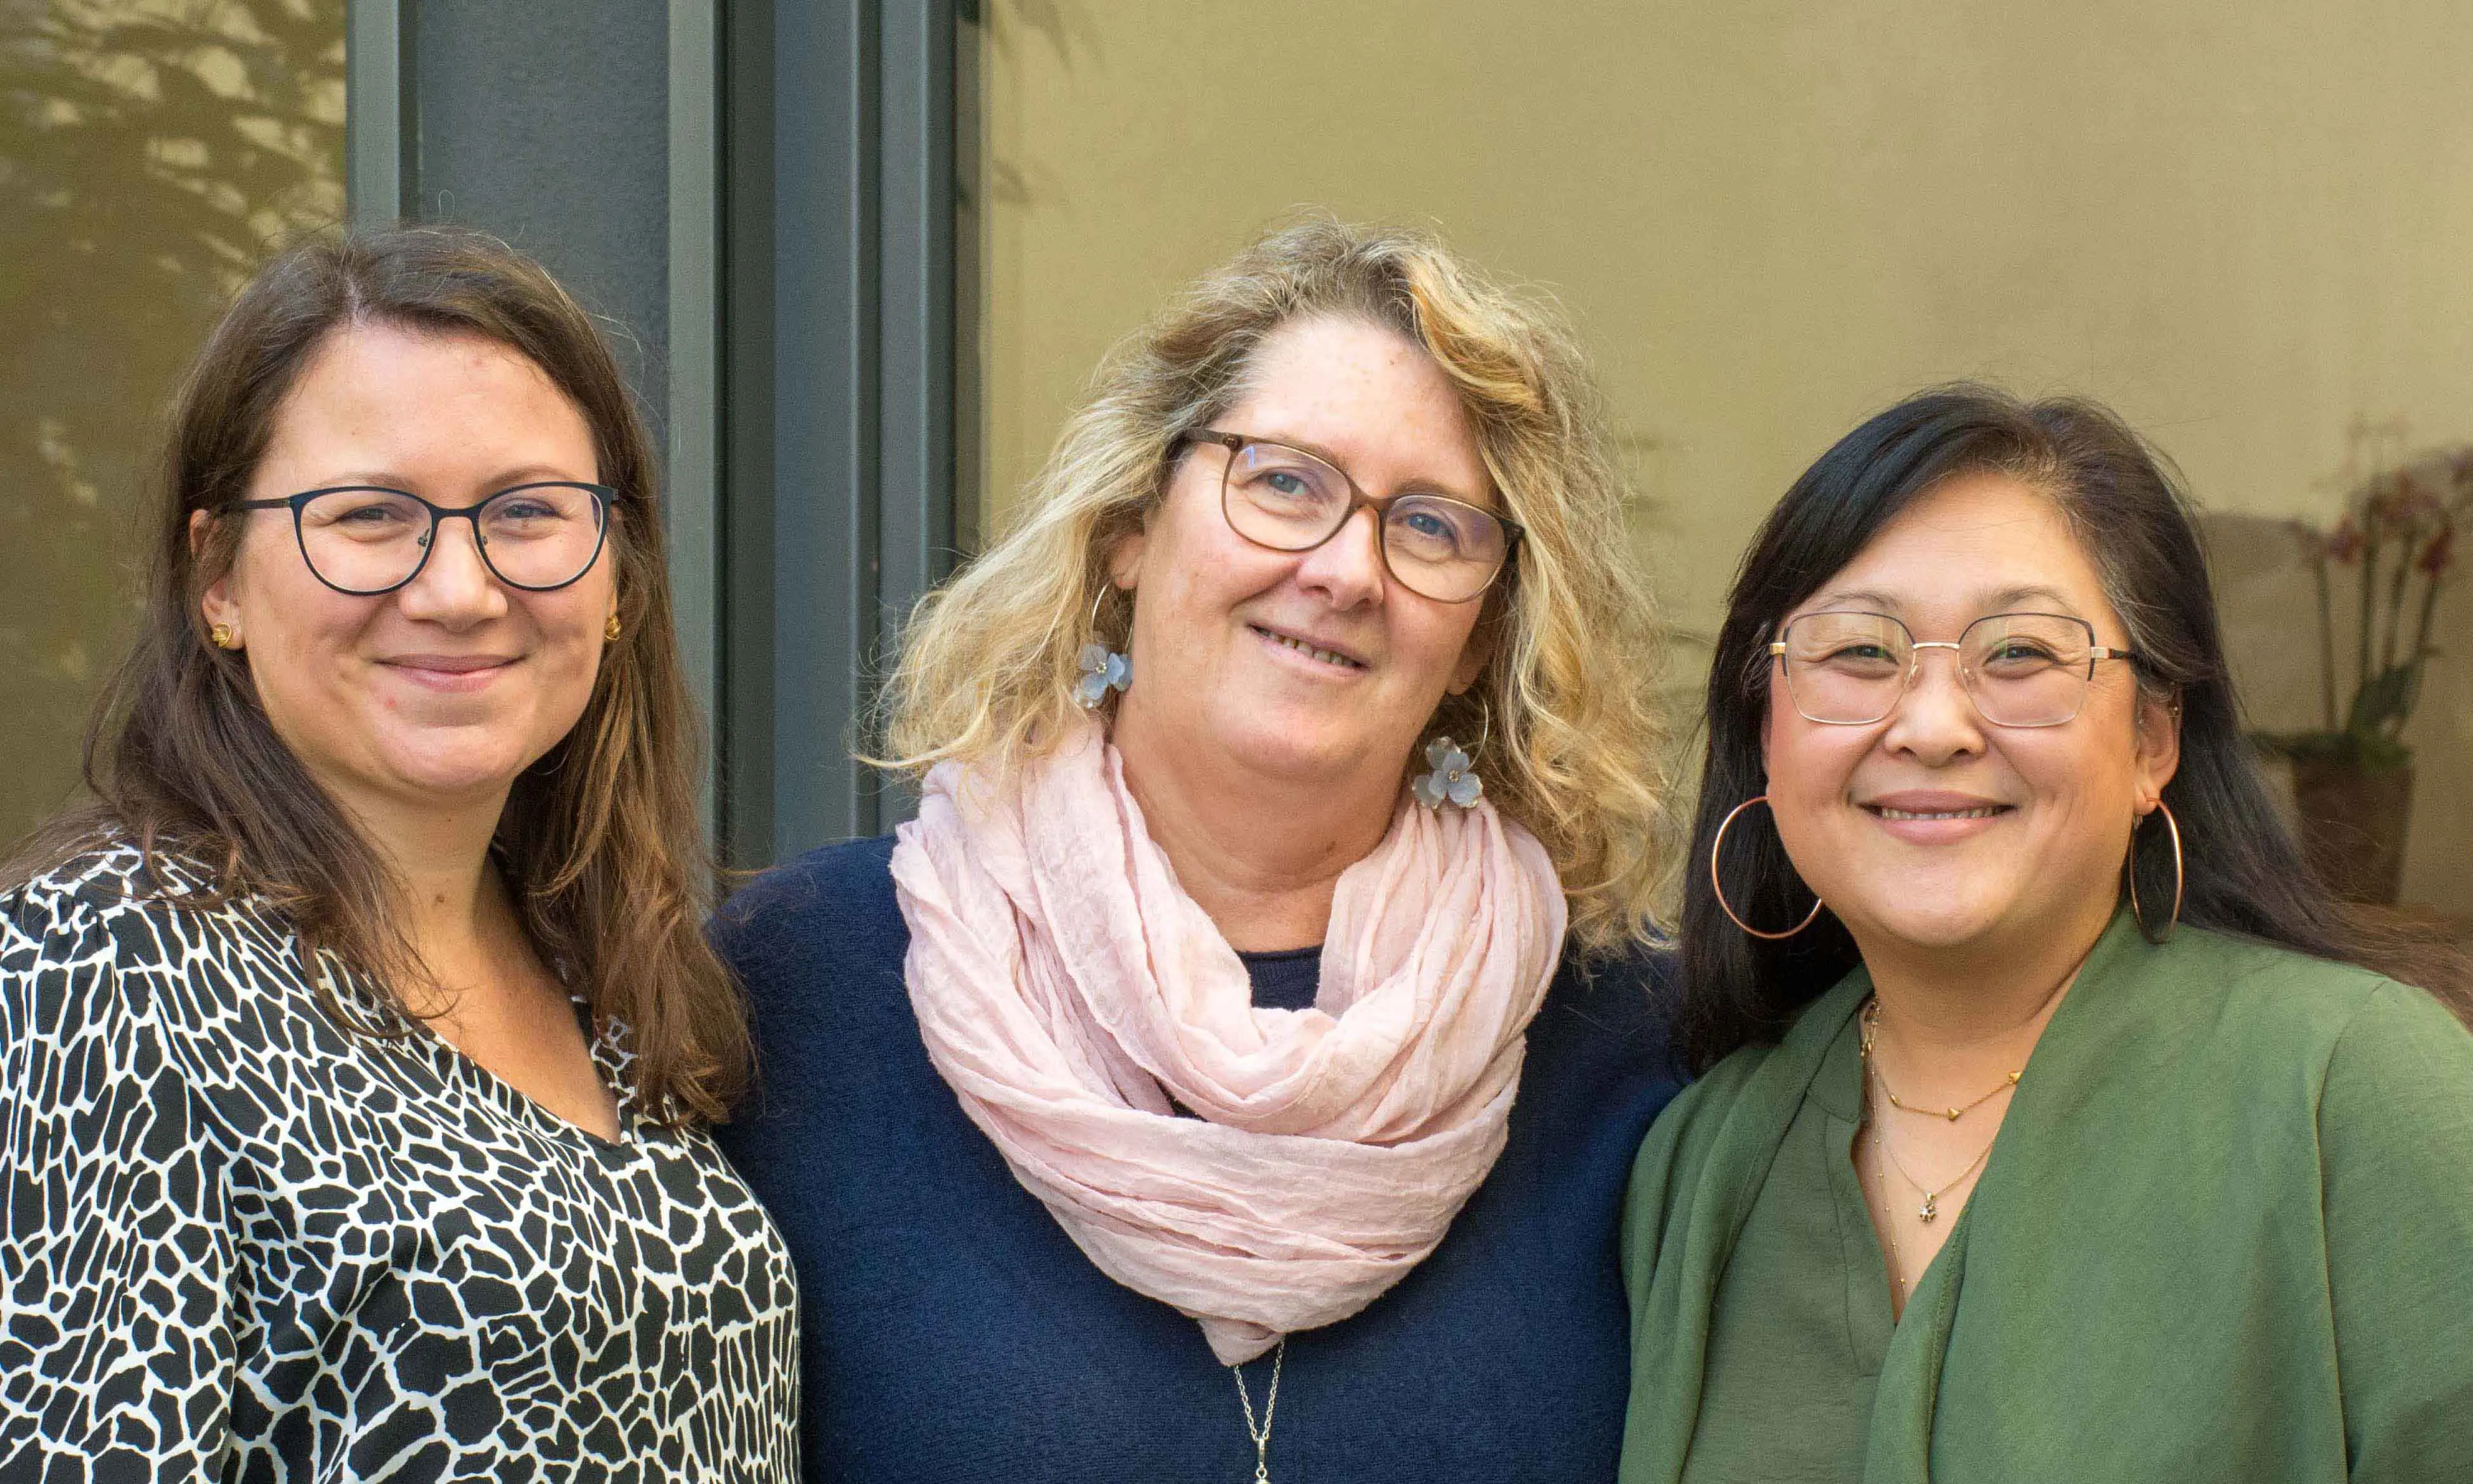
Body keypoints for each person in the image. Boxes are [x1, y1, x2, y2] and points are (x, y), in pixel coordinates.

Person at [715, 217, 1678, 1483]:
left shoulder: (1628, 1044)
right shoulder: (800, 987)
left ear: (1487, 639)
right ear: (1131, 524)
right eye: (1283, 482)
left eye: (1433, 527)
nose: (1346, 570)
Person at [0, 228, 797, 1479]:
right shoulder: (97, 969)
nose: (459, 590)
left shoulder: (611, 973)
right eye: (370, 516)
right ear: (217, 579)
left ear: (619, 579)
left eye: (527, 513)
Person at [1618, 385, 2473, 1483]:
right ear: (1767, 732)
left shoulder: (2357, 1091)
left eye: (2020, 653)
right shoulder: (1703, 1158)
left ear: (2153, 739)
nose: (1932, 727)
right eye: (1861, 653)